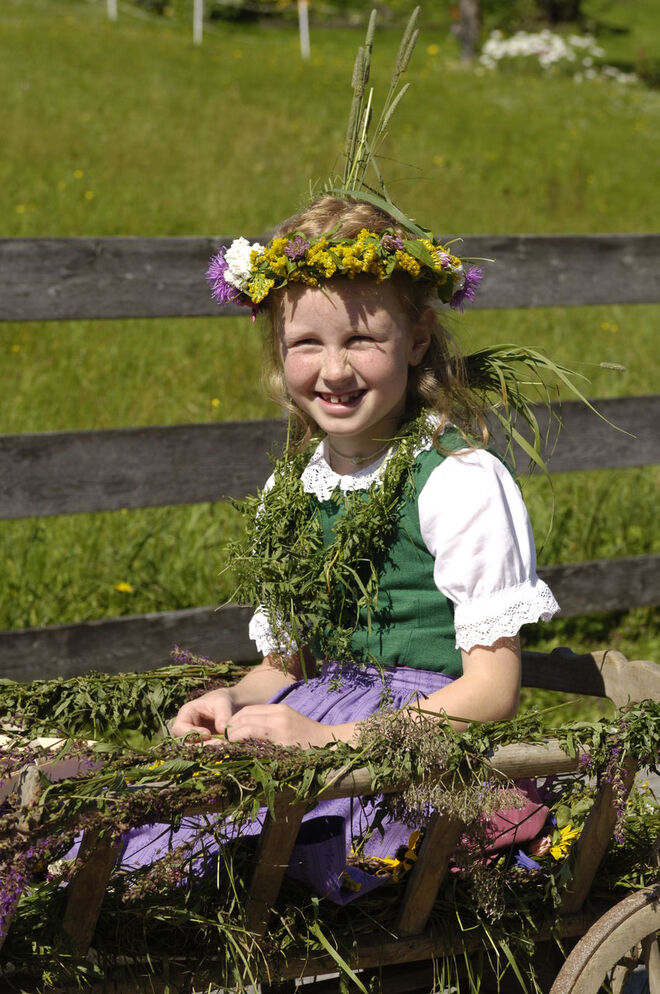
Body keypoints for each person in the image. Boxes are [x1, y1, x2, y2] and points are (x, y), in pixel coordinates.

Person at [135, 194, 560, 902]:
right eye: (307, 343)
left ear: (417, 338)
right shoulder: (293, 485)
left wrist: (330, 742)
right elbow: (288, 665)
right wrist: (233, 698)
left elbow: (491, 691)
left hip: (412, 755)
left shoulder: (458, 480)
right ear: (279, 347)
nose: (333, 371)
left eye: (361, 340)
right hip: (315, 718)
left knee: (261, 870)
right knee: (162, 851)